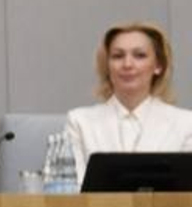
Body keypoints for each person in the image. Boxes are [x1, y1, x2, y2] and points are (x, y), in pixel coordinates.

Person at [65, 21, 192, 183]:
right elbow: (74, 192)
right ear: (107, 66)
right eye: (118, 56)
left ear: (158, 66)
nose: (127, 64)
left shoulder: (186, 123)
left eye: (139, 55)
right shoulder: (80, 122)